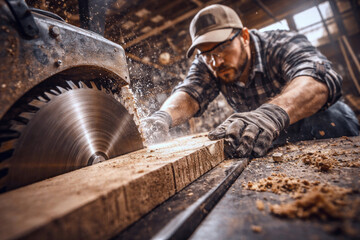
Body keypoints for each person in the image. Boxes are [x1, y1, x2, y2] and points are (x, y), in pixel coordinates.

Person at [141, 4, 359, 157]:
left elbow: (318, 78)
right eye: (206, 54)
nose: (215, 61)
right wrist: (163, 117)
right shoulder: (208, 62)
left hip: (326, 127)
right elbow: (190, 93)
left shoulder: (279, 42)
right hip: (276, 137)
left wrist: (273, 113)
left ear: (244, 37)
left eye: (223, 47)